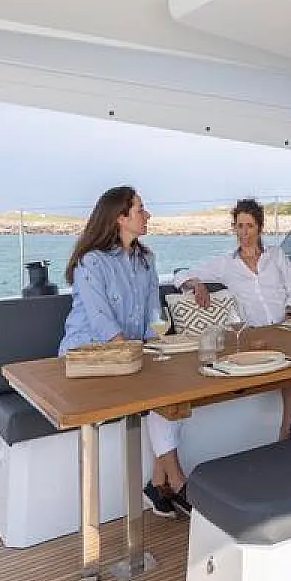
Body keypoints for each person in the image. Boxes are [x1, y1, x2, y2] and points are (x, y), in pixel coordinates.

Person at [59, 186, 190, 518]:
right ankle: (176, 481)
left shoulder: (146, 260)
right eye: (140, 209)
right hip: (90, 358)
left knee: (177, 388)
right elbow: (101, 319)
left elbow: (153, 314)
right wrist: (137, 356)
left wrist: (157, 347)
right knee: (160, 391)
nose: (148, 215)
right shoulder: (92, 262)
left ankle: (160, 481)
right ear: (119, 217)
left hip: (131, 355)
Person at [174, 198, 291, 441]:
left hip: (289, 326)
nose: (244, 233)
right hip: (256, 336)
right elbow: (180, 274)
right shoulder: (226, 264)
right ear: (234, 228)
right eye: (239, 226)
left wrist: (288, 315)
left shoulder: (276, 256)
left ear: (260, 228)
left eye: (250, 226)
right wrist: (197, 284)